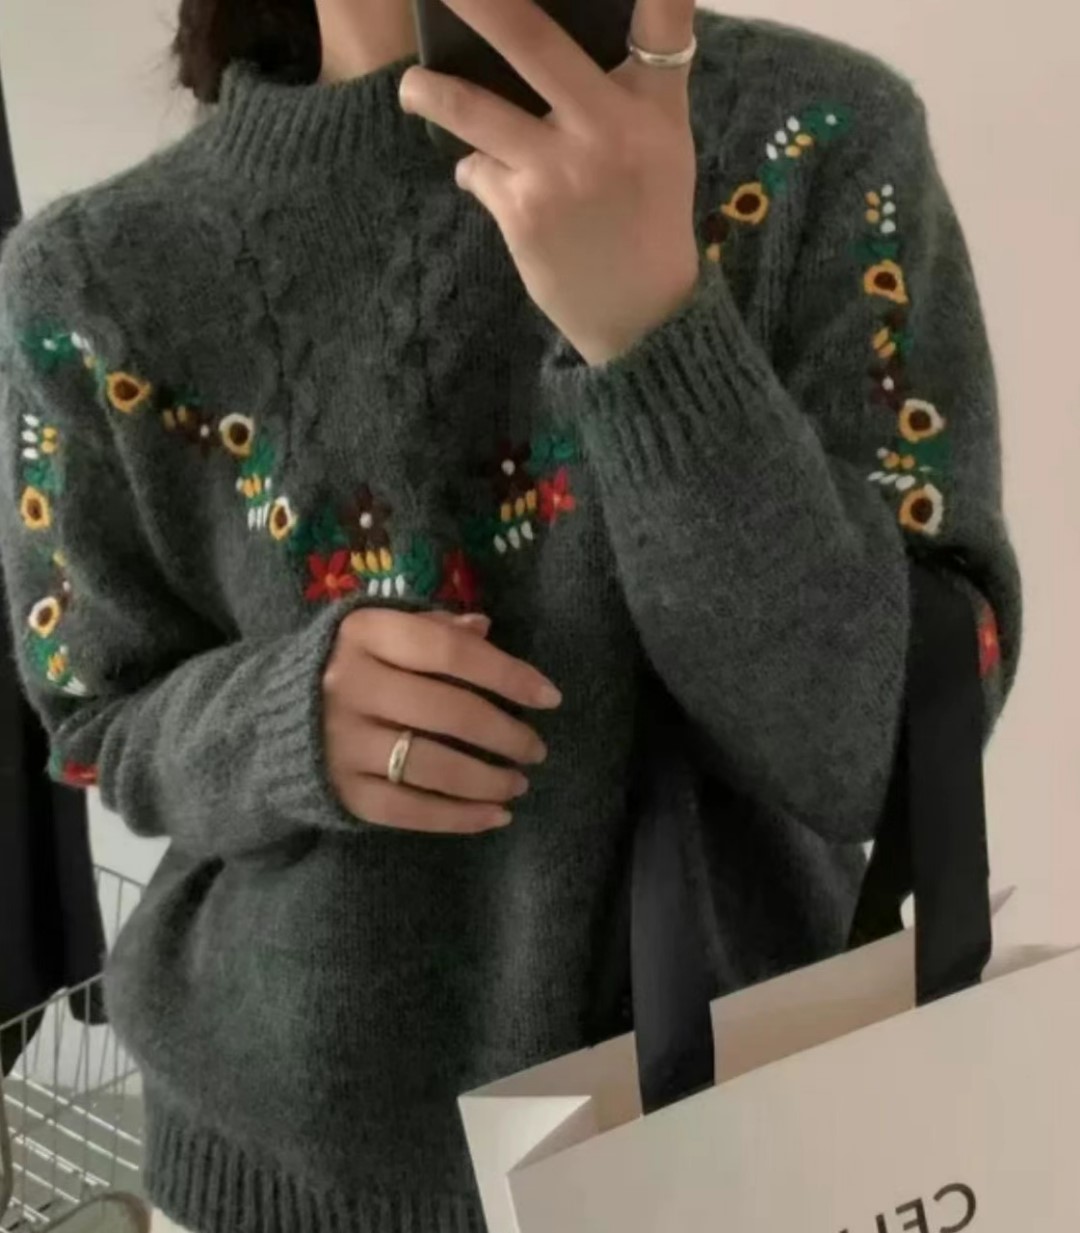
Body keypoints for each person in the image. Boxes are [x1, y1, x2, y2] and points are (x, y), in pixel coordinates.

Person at [0, 0, 1020, 1229]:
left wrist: (655, 333)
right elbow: (96, 716)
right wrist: (274, 723)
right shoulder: (93, 273)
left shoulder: (811, 137)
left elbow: (889, 759)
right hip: (280, 1169)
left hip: (741, 1145)